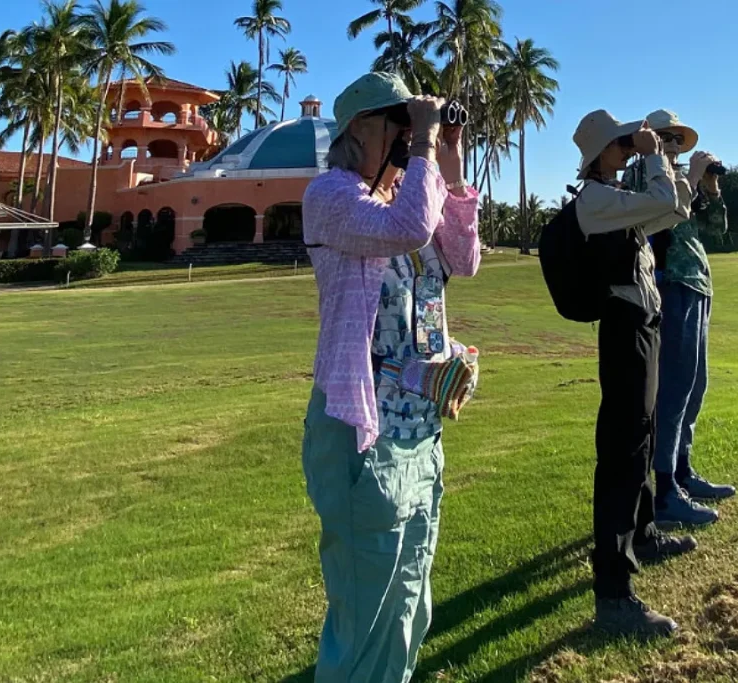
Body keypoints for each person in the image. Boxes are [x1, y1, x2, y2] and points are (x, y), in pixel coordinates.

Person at [300, 72, 481, 683]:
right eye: (397, 123)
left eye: (413, 124)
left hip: (420, 432)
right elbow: (408, 229)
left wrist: (448, 160)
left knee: (409, 606)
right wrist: (427, 143)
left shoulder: (408, 195)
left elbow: (463, 259)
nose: (409, 136)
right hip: (363, 433)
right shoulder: (331, 195)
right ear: (359, 128)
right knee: (367, 617)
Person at [572, 110, 702, 638]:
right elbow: (663, 202)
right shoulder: (595, 200)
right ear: (600, 154)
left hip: (641, 323)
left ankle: (644, 533)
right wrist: (651, 156)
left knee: (642, 439)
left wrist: (663, 163)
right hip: (624, 328)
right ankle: (614, 592)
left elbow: (672, 210)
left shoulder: (614, 200)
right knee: (623, 453)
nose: (627, 149)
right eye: (619, 144)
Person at [644, 109, 736, 528]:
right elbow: (661, 222)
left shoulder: (686, 178)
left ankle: (682, 471)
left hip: (698, 285)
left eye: (678, 139)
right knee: (674, 387)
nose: (674, 146)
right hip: (670, 285)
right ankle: (665, 489)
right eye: (666, 138)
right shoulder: (644, 177)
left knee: (696, 385)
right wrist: (693, 183)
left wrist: (711, 188)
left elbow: (716, 229)